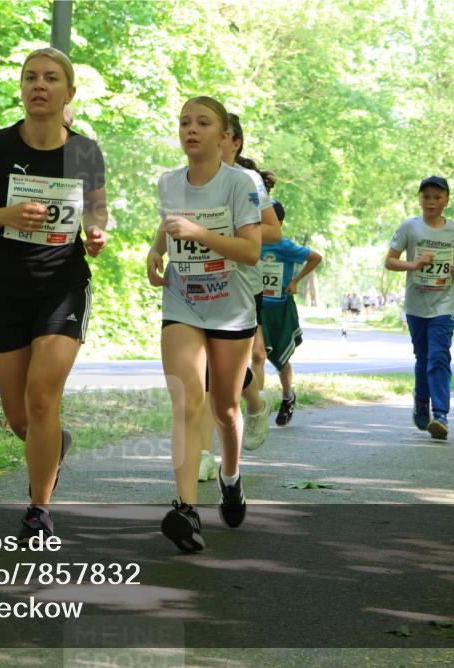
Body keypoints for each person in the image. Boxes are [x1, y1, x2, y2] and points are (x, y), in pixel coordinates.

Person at [0, 47, 108, 543]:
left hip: (63, 286)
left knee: (42, 399)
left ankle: (39, 509)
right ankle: (52, 446)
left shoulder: (84, 151)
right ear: (21, 89)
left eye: (50, 78)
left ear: (68, 92)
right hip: (6, 287)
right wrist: (6, 216)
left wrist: (99, 233)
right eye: (30, 78)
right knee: (21, 418)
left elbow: (97, 215)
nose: (39, 86)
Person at [146, 96, 273, 552]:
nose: (191, 130)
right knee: (185, 401)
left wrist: (199, 235)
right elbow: (169, 222)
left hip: (232, 309)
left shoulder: (241, 183)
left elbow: (250, 251)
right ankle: (185, 509)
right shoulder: (168, 182)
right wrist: (156, 249)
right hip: (183, 303)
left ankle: (231, 476)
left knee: (225, 408)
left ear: (224, 137)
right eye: (184, 122)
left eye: (202, 123)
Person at [197, 113, 282, 479]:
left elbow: (274, 233)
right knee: (199, 369)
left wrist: (229, 232)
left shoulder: (248, 181)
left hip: (240, 284)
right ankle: (201, 452)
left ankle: (255, 403)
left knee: (221, 369)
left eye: (220, 133)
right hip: (194, 282)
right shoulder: (190, 175)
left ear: (233, 142)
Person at [385, 175, 454, 441]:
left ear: (446, 201)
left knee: (439, 357)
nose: (431, 201)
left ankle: (440, 414)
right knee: (423, 358)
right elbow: (390, 262)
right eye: (426, 196)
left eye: (437, 197)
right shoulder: (410, 228)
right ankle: (421, 401)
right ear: (420, 199)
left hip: (444, 304)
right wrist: (415, 265)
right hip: (417, 304)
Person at [257, 200, 323, 427]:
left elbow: (316, 257)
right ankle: (257, 408)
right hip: (256, 310)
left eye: (266, 220)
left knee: (281, 359)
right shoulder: (249, 243)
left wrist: (295, 281)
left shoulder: (284, 246)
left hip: (280, 309)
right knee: (258, 356)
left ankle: (287, 398)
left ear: (279, 223)